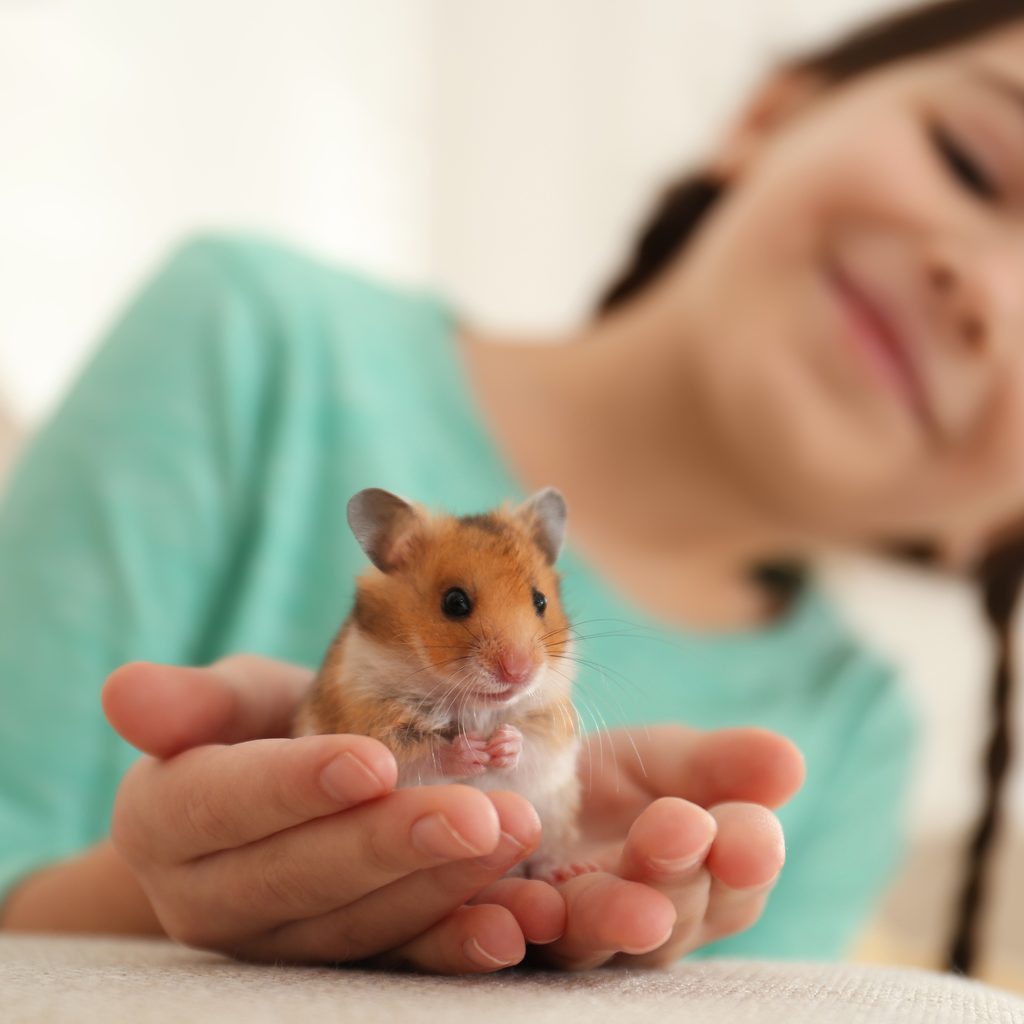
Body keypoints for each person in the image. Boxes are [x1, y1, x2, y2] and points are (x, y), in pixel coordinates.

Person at [1, 0, 1022, 976]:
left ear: (994, 529)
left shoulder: (853, 732)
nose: (982, 288)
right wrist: (181, 887)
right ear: (772, 113)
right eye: (973, 165)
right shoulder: (251, 331)